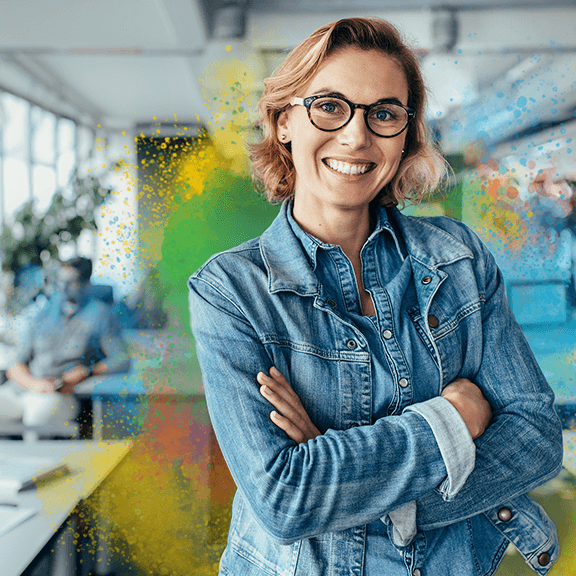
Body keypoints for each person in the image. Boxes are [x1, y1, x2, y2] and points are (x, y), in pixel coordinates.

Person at [188, 18, 563, 576]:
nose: (357, 136)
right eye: (330, 107)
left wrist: (350, 476)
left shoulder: (457, 258)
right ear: (285, 120)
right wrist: (451, 419)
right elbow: (285, 499)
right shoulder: (232, 290)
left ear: (405, 135)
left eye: (384, 113)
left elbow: (535, 436)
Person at [0, 257, 130, 433]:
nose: (63, 287)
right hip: (24, 389)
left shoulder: (100, 315)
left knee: (38, 413)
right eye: (60, 281)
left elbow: (122, 359)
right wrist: (34, 384)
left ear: (86, 284)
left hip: (60, 395)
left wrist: (87, 372)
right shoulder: (42, 313)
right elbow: (14, 365)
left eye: (71, 282)